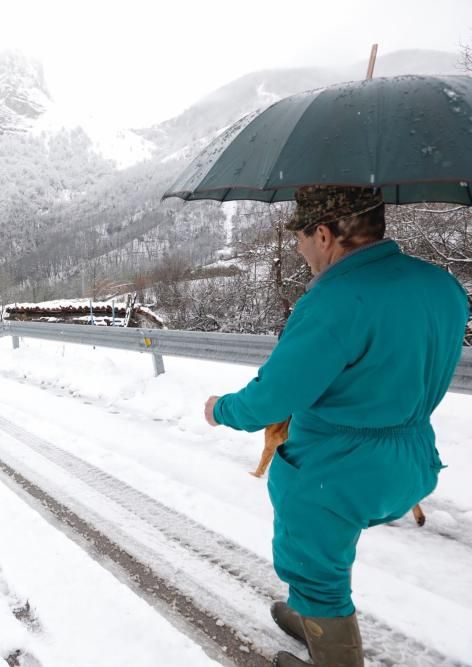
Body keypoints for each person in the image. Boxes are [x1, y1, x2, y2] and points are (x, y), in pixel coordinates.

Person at [203, 185, 469, 667]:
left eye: (301, 238)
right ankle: (310, 616)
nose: (300, 249)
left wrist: (221, 409)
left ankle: (331, 643)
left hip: (335, 471)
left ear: (324, 234)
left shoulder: (335, 300)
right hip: (411, 460)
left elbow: (273, 398)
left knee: (314, 563)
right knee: (320, 560)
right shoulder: (440, 284)